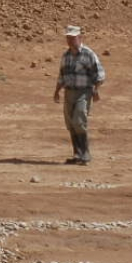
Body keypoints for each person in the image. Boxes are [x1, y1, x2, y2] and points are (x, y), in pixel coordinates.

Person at [53, 24, 105, 164]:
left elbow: (100, 74)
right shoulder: (66, 55)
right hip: (69, 92)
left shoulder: (88, 54)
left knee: (79, 122)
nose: (70, 40)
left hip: (84, 92)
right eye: (68, 38)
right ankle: (77, 155)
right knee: (70, 124)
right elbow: (62, 75)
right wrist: (57, 91)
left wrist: (95, 90)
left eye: (73, 37)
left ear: (80, 37)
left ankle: (85, 154)